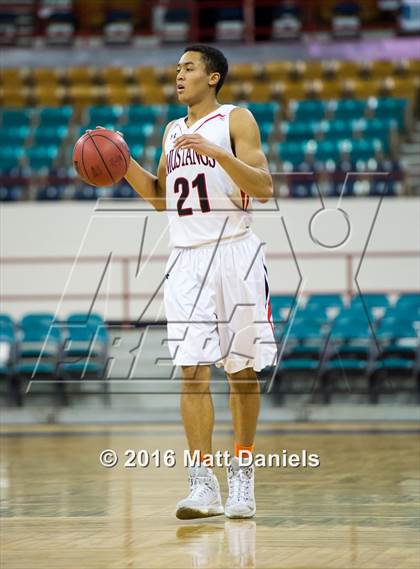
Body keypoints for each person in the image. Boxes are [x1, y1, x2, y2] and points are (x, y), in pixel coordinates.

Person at [124, 44, 277, 519]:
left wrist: (218, 153)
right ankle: (202, 485)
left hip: (235, 253)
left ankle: (243, 480)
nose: (179, 75)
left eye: (188, 67)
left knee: (241, 372)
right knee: (191, 370)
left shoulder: (236, 119)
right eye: (176, 69)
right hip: (186, 260)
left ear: (213, 78)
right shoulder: (172, 131)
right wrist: (120, 160)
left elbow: (265, 187)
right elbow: (161, 198)